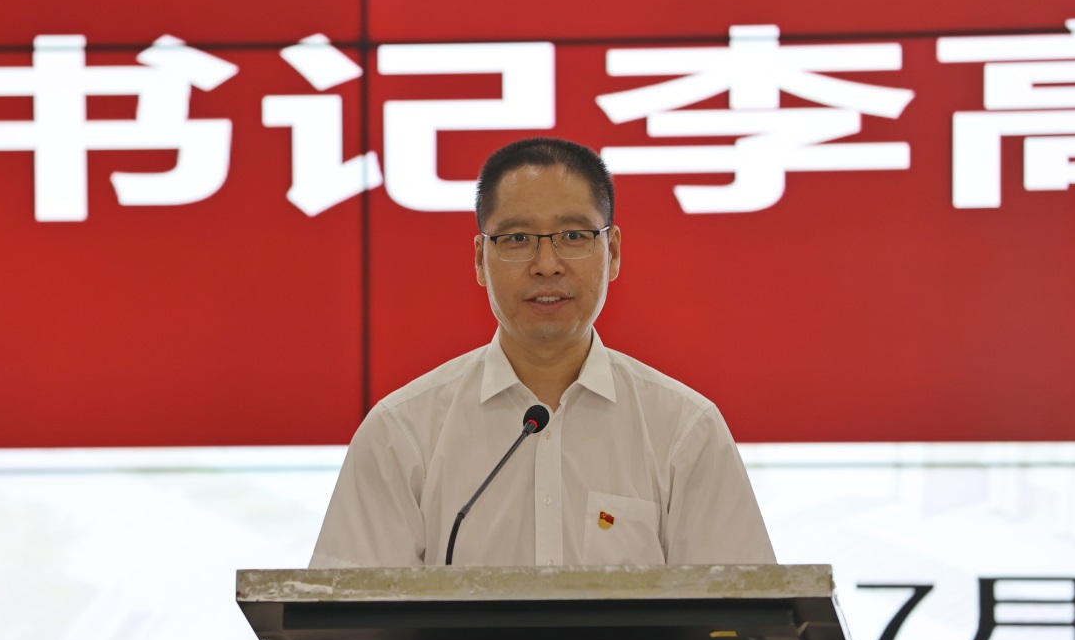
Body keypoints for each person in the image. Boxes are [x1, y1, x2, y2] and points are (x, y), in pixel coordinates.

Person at [310, 137, 774, 568]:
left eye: (573, 236)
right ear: (480, 259)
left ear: (612, 252)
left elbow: (740, 616)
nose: (547, 265)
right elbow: (348, 620)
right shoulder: (402, 434)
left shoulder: (684, 431)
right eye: (517, 239)